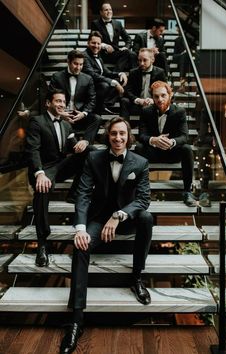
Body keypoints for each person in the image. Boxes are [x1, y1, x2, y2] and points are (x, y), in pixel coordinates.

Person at [60, 117, 153, 354]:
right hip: (99, 217)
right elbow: (82, 194)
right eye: (114, 133)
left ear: (128, 136)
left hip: (125, 219)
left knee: (146, 218)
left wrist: (119, 215)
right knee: (81, 246)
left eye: (122, 133)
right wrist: (80, 228)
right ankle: (76, 320)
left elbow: (143, 200)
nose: (118, 138)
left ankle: (137, 278)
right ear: (108, 136)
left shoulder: (140, 163)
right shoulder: (94, 158)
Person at [25, 89, 94, 267]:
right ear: (48, 103)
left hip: (61, 166)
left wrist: (82, 143)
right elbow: (32, 150)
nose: (62, 105)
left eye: (63, 102)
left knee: (90, 152)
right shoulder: (37, 121)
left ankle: (74, 193)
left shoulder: (66, 124)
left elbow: (72, 147)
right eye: (58, 101)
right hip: (44, 168)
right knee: (42, 190)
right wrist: (39, 173)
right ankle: (42, 243)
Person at [135, 81, 197, 207]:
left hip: (172, 152)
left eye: (163, 95)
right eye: (156, 96)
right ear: (152, 97)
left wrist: (172, 142)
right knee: (139, 147)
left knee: (186, 149)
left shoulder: (180, 112)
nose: (160, 99)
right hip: (153, 152)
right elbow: (141, 135)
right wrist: (153, 140)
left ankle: (187, 191)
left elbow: (184, 136)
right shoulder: (146, 111)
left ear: (170, 95)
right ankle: (141, 191)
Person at [49, 49, 101, 145]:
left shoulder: (88, 78)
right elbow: (51, 99)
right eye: (75, 64)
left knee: (96, 119)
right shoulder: (57, 77)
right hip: (62, 115)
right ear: (68, 61)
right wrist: (61, 114)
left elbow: (92, 99)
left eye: (81, 64)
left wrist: (83, 113)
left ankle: (85, 143)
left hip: (79, 114)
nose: (78, 67)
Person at [82, 30, 128, 115]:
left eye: (98, 44)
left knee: (121, 79)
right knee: (105, 85)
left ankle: (105, 104)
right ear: (88, 43)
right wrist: (112, 82)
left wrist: (120, 73)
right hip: (89, 86)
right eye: (93, 43)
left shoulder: (98, 56)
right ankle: (98, 109)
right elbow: (92, 75)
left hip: (99, 83)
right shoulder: (84, 56)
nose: (96, 46)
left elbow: (106, 72)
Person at [120, 48, 166, 121]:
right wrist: (138, 100)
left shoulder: (160, 72)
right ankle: (124, 126)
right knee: (124, 101)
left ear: (152, 60)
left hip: (153, 105)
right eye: (139, 60)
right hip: (138, 104)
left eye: (145, 60)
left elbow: (165, 92)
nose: (141, 63)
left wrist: (153, 100)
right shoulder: (133, 72)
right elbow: (128, 91)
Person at [91, 2, 137, 71]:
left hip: (115, 53)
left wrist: (126, 47)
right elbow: (93, 40)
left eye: (110, 9)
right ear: (101, 12)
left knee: (131, 54)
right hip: (103, 54)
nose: (109, 12)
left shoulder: (118, 24)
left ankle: (123, 75)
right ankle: (117, 75)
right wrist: (105, 46)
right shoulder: (95, 24)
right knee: (129, 56)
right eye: (106, 10)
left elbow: (128, 39)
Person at [172, 25, 191, 93]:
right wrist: (182, 53)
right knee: (184, 56)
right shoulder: (177, 40)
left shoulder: (191, 40)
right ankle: (182, 83)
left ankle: (182, 84)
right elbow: (174, 55)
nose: (177, 31)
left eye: (178, 29)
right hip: (181, 59)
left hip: (191, 60)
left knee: (186, 56)